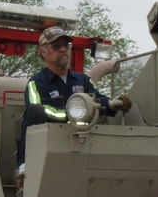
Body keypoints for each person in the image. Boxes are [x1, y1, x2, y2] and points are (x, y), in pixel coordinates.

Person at [16, 26, 130, 177]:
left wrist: (112, 103)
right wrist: (74, 113)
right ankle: (24, 172)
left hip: (83, 140)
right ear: (43, 52)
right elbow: (40, 110)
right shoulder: (36, 83)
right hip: (49, 140)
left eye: (66, 45)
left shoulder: (83, 80)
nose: (63, 49)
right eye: (57, 46)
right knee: (34, 111)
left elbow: (95, 98)